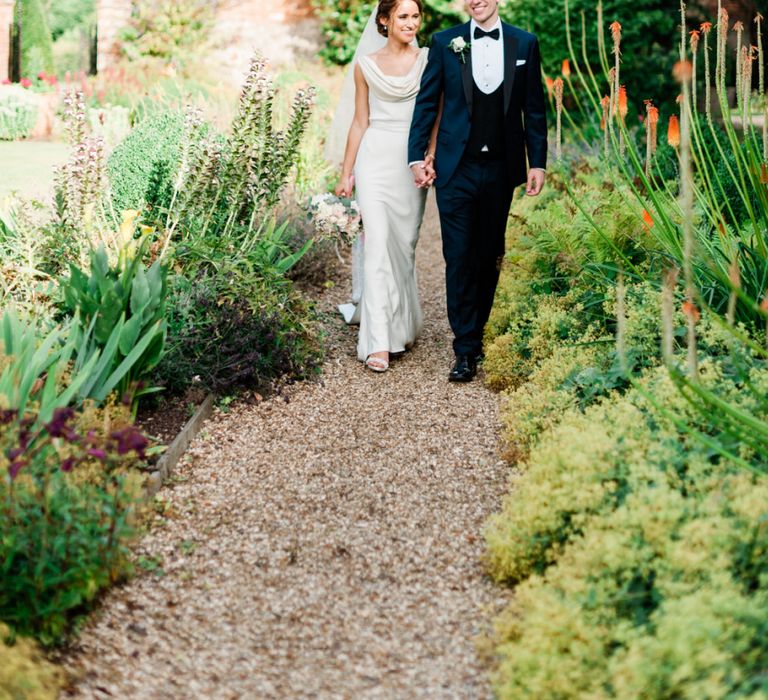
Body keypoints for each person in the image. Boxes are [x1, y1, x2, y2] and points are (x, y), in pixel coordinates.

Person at [407, 0, 547, 382]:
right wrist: (415, 156)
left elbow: (534, 109)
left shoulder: (525, 43)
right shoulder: (444, 42)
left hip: (501, 169)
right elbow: (427, 103)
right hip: (456, 168)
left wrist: (537, 162)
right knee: (459, 255)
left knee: (489, 255)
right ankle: (465, 348)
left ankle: (478, 330)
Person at [334, 0, 434, 373]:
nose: (411, 23)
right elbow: (360, 121)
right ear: (384, 21)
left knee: (402, 247)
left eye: (415, 16)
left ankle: (402, 325)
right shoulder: (365, 65)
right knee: (376, 244)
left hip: (410, 161)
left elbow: (436, 114)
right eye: (403, 16)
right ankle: (377, 342)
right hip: (374, 158)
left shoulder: (428, 59)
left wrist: (430, 156)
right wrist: (347, 172)